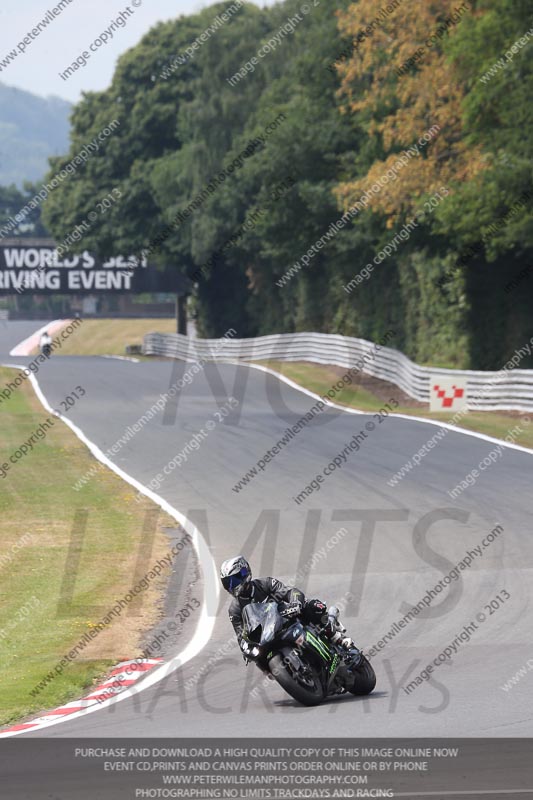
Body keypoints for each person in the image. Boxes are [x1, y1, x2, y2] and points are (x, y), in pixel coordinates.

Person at [220, 556, 360, 665]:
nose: (232, 586)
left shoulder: (265, 584)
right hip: (267, 635)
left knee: (313, 606)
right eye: (228, 583)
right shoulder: (235, 610)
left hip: (286, 617)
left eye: (234, 581)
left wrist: (296, 602)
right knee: (257, 657)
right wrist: (246, 649)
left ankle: (336, 637)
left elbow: (289, 591)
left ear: (244, 573)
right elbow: (240, 635)